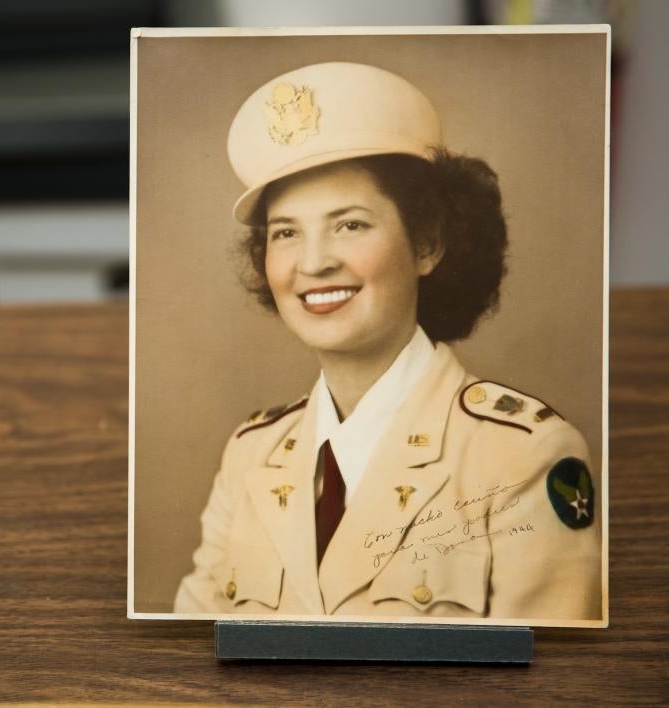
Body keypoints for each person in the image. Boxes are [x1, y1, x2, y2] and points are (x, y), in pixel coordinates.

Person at [174, 62, 601, 621]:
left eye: (350, 224)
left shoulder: (523, 454)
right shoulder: (249, 454)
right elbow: (186, 660)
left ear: (427, 245)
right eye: (286, 233)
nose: (314, 262)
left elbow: (548, 689)